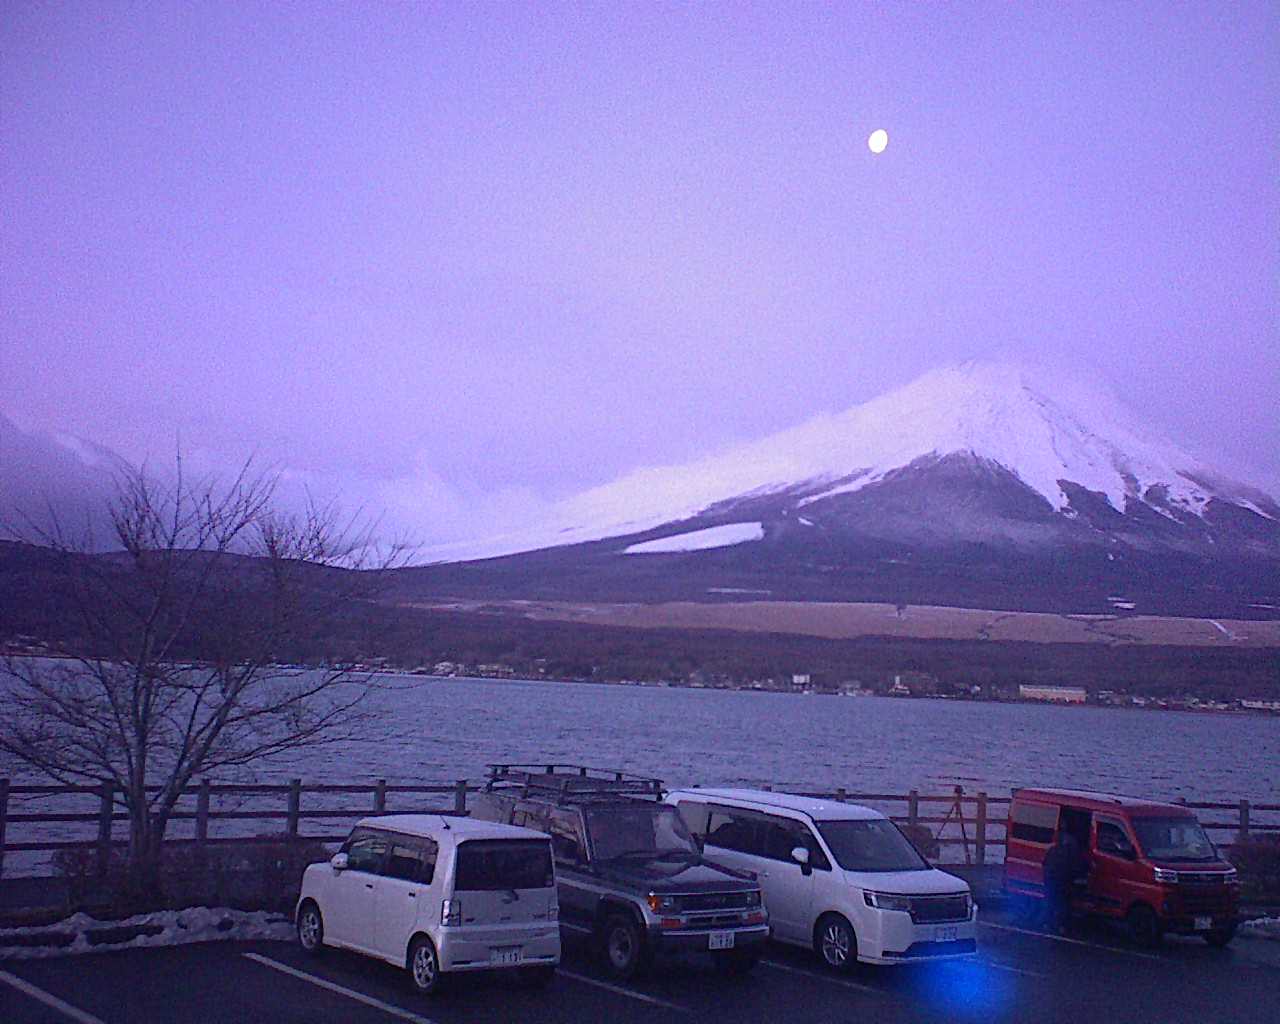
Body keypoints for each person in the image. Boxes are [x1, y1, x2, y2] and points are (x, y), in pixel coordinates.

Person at [1042, 829, 1087, 933]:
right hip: (1063, 883)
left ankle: (1047, 924)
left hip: (1051, 880)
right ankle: (1060, 926)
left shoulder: (1053, 849)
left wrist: (1047, 877)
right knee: (1063, 905)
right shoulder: (1072, 854)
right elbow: (1078, 868)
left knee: (1050, 903)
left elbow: (1044, 863)